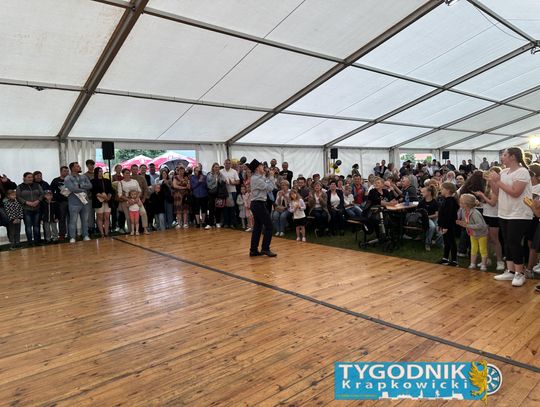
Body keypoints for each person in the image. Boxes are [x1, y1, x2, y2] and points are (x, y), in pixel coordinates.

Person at [490, 147, 533, 287]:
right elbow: (497, 192)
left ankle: (520, 273)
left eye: (504, 155)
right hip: (504, 212)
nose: (502, 157)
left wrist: (498, 181)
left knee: (514, 241)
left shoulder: (522, 172)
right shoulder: (503, 172)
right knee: (507, 241)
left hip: (519, 213)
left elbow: (515, 192)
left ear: (513, 157)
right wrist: (492, 181)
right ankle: (510, 270)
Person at [474, 168, 505, 271]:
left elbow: (493, 203)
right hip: (486, 214)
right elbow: (487, 202)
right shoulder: (488, 187)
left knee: (495, 239)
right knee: (486, 238)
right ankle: (486, 259)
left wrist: (482, 195)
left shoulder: (497, 187)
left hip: (494, 216)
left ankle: (500, 261)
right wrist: (480, 200)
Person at [248, 159, 277, 257]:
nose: (263, 167)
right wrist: (272, 176)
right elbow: (270, 188)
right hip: (258, 204)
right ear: (257, 168)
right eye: (261, 166)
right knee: (269, 226)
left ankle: (253, 250)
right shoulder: (256, 179)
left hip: (257, 204)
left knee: (258, 227)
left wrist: (268, 175)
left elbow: (266, 182)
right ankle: (265, 248)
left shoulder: (259, 177)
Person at [457, 194, 489, 271]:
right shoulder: (464, 211)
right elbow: (466, 221)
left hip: (481, 234)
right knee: (473, 248)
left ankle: (484, 265)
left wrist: (467, 225)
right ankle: (472, 264)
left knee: (482, 249)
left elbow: (480, 225)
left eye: (461, 202)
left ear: (466, 204)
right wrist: (462, 223)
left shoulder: (475, 213)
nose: (459, 203)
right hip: (472, 233)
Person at [64, 162, 92, 243]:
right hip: (74, 203)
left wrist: (80, 186)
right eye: (77, 166)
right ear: (72, 168)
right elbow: (72, 189)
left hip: (84, 202)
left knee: (85, 220)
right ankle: (72, 237)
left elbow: (90, 185)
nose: (79, 167)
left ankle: (85, 235)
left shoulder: (84, 176)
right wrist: (83, 189)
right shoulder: (68, 178)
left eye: (79, 166)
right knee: (73, 221)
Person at [16, 172, 44, 245]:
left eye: (31, 177)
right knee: (28, 226)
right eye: (29, 177)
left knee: (36, 226)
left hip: (37, 208)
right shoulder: (20, 186)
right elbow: (18, 197)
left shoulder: (37, 185)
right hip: (26, 209)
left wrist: (38, 201)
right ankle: (30, 242)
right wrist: (26, 202)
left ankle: (37, 241)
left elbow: (42, 194)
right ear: (24, 178)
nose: (31, 178)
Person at [437, 182, 459, 267]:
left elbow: (449, 215)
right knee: (446, 242)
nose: (441, 190)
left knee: (451, 242)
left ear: (448, 190)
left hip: (449, 225)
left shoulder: (451, 201)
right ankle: (445, 258)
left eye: (442, 189)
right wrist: (440, 224)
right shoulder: (445, 200)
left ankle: (454, 260)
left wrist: (446, 226)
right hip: (444, 224)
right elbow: (442, 214)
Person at [91, 167, 113, 237]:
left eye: (101, 171)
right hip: (98, 201)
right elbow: (94, 191)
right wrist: (104, 197)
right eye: (99, 171)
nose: (101, 172)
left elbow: (110, 190)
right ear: (96, 172)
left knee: (107, 216)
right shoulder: (93, 181)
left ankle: (106, 232)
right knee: (100, 217)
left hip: (107, 201)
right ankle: (102, 233)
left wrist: (108, 197)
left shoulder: (107, 180)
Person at [50, 166, 70, 240]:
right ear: (61, 171)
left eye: (67, 171)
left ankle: (72, 233)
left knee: (71, 218)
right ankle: (62, 234)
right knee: (62, 218)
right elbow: (51, 191)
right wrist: (56, 197)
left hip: (71, 201)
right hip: (61, 202)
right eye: (65, 171)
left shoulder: (71, 179)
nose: (66, 172)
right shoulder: (56, 180)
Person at [418, 185, 439, 251]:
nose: (421, 193)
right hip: (425, 219)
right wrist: (426, 217)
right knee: (432, 227)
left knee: (438, 229)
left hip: (433, 218)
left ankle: (437, 241)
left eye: (423, 192)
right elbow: (418, 213)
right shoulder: (422, 202)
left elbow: (436, 214)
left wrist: (428, 216)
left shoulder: (435, 202)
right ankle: (427, 243)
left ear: (429, 193)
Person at [220, 159, 240, 228]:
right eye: (226, 163)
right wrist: (223, 182)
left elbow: (238, 181)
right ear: (224, 164)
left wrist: (232, 182)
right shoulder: (221, 171)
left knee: (232, 208)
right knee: (225, 208)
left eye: (229, 163)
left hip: (232, 191)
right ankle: (226, 223)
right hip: (224, 192)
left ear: (231, 164)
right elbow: (218, 181)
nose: (228, 164)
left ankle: (232, 223)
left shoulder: (234, 171)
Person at [190, 164, 209, 229]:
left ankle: (203, 222)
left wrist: (202, 181)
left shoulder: (205, 177)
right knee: (196, 209)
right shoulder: (192, 177)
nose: (197, 172)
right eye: (196, 170)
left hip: (204, 195)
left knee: (204, 209)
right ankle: (197, 223)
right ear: (194, 171)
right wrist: (199, 181)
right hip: (196, 195)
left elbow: (206, 186)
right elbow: (192, 187)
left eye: (199, 170)